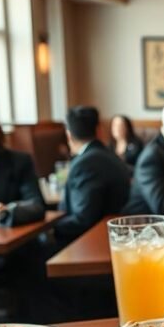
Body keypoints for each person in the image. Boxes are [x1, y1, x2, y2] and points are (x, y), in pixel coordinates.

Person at [52, 106, 132, 247]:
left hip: (93, 244)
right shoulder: (110, 155)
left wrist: (51, 229)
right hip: (117, 238)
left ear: (69, 135)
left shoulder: (85, 164)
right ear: (99, 130)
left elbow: (84, 219)